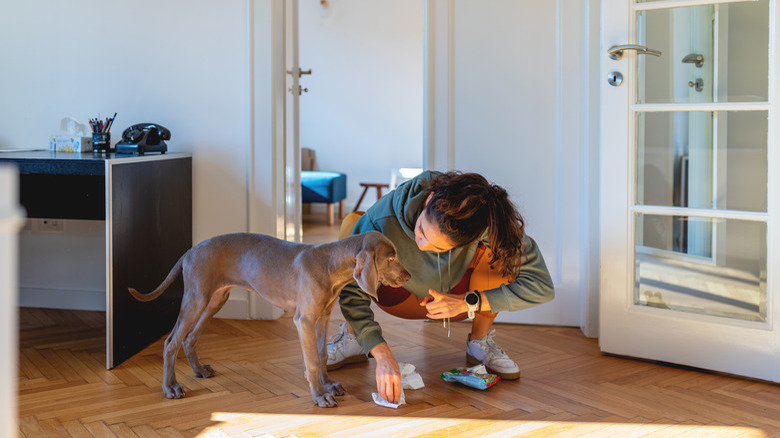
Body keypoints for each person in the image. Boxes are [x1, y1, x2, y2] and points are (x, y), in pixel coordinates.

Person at [327, 170, 554, 404]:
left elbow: (542, 287)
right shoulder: (381, 220)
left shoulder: (482, 222)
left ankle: (479, 341)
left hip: (456, 302)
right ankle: (355, 339)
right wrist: (380, 351)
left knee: (499, 251)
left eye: (440, 248)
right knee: (353, 227)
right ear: (428, 199)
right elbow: (352, 292)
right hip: (396, 295)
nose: (423, 246)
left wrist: (468, 302)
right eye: (423, 231)